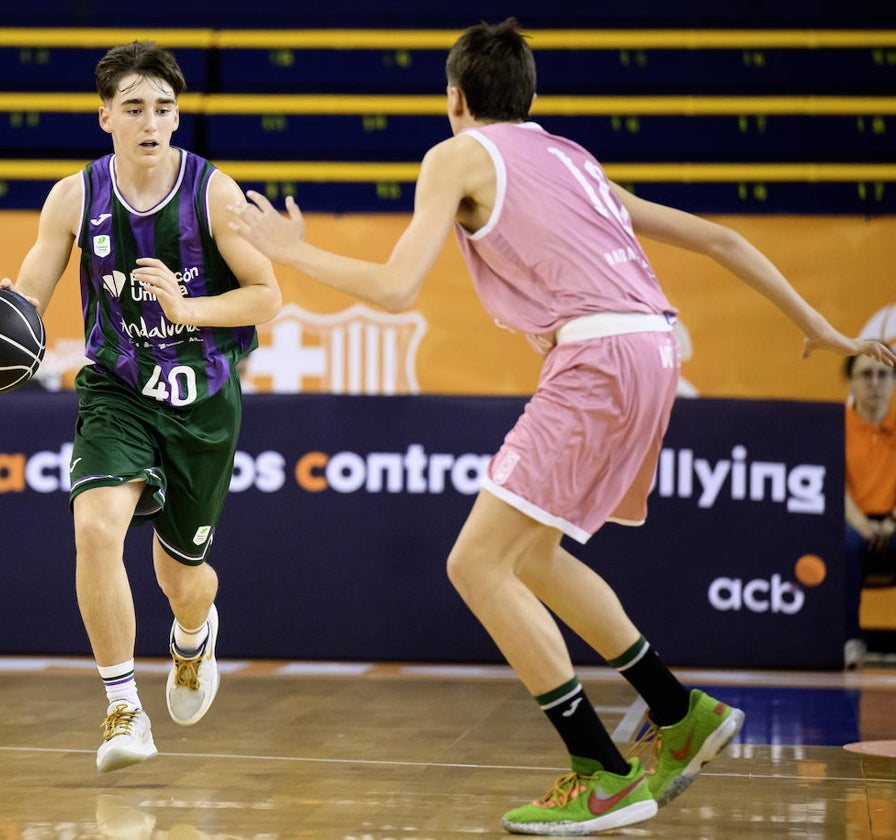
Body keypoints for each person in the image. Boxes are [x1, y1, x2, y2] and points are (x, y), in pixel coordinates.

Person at [227, 18, 896, 835]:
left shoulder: (456, 154)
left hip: (599, 356)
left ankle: (602, 771)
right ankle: (677, 711)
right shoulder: (575, 159)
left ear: (453, 97)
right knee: (533, 557)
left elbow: (399, 290)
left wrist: (293, 252)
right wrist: (821, 326)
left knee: (475, 565)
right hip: (650, 348)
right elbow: (720, 237)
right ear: (532, 96)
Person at [0, 40, 281, 773]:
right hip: (116, 387)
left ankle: (193, 632)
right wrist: (1, 311)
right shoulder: (74, 197)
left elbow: (268, 296)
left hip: (201, 398)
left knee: (182, 577)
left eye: (165, 108)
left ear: (178, 117)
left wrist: (188, 305)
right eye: (136, 108)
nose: (151, 121)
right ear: (106, 115)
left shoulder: (215, 193)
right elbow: (32, 296)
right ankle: (122, 707)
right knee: (95, 524)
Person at [845, 351, 896, 641]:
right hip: (852, 522)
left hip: (892, 523)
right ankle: (849, 641)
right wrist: (861, 524)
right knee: (845, 544)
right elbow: (831, 483)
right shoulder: (837, 426)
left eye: (883, 374)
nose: (875, 383)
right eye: (866, 374)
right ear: (850, 382)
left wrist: (891, 521)